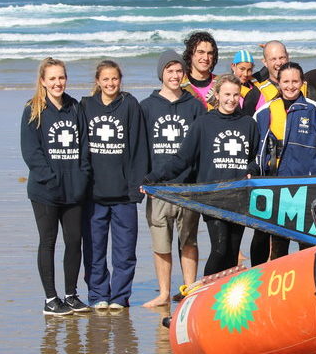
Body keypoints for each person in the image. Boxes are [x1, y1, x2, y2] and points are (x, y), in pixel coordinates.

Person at [144, 74, 259, 276]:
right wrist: (153, 177)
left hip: (240, 197)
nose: (231, 99)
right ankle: (203, 292)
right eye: (226, 94)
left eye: (235, 95)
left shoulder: (248, 124)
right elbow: (182, 159)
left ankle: (224, 300)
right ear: (216, 94)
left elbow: (254, 160)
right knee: (219, 249)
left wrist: (251, 171)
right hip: (212, 196)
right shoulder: (203, 123)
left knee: (232, 252)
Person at [20, 57, 91, 315]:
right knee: (48, 241)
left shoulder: (74, 107)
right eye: (52, 78)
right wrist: (51, 178)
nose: (57, 82)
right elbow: (31, 152)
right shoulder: (33, 109)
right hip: (45, 191)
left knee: (74, 241)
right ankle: (51, 299)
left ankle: (70, 295)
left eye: (61, 77)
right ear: (43, 81)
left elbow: (84, 145)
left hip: (74, 189)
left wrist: (82, 176)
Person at [252, 62, 316, 265]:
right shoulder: (264, 113)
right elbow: (254, 153)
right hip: (274, 192)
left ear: (302, 83)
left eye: (295, 81)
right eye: (286, 81)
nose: (290, 86)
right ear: (278, 83)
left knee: (308, 246)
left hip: (307, 192)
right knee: (277, 246)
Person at [139, 50, 206, 307]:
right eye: (170, 71)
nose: (175, 75)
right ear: (161, 74)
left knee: (188, 240)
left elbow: (202, 146)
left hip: (187, 186)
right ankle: (164, 293)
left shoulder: (194, 106)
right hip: (158, 188)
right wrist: (143, 180)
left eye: (179, 71)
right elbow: (140, 147)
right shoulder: (146, 106)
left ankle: (188, 289)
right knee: (161, 243)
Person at [80, 60, 148, 310]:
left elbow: (140, 147)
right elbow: (80, 149)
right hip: (94, 194)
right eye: (105, 79)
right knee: (94, 249)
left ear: (120, 80)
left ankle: (119, 297)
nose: (110, 83)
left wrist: (137, 186)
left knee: (125, 251)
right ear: (97, 81)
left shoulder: (130, 104)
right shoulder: (86, 106)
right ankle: (98, 294)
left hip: (123, 195)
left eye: (114, 79)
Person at [181, 31, 219, 110]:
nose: (206, 58)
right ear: (190, 54)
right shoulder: (179, 85)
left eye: (210, 53)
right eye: (200, 52)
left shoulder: (221, 83)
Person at [230, 49, 264, 115]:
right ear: (233, 66)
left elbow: (267, 69)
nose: (245, 74)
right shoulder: (224, 86)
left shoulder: (253, 85)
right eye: (242, 69)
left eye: (249, 70)